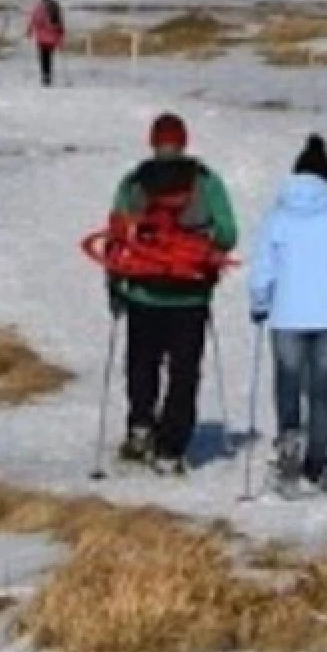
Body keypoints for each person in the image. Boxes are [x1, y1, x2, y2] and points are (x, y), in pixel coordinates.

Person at [109, 113, 238, 475]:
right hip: (190, 293)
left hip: (144, 291)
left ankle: (140, 427)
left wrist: (116, 287)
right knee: (184, 372)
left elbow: (117, 236)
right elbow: (227, 233)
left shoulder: (134, 183)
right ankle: (170, 447)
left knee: (141, 363)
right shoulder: (205, 182)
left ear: (153, 142)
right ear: (183, 141)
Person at [249, 135, 327, 495]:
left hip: (288, 315)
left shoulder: (278, 216)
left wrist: (260, 304)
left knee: (288, 382)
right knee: (321, 391)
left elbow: (263, 270)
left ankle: (289, 446)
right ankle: (317, 465)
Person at [27, 0, 65, 87]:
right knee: (47, 57)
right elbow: (60, 25)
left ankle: (46, 75)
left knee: (44, 57)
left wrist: (30, 30)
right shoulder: (55, 8)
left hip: (44, 38)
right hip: (49, 38)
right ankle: (47, 75)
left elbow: (33, 20)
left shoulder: (40, 9)